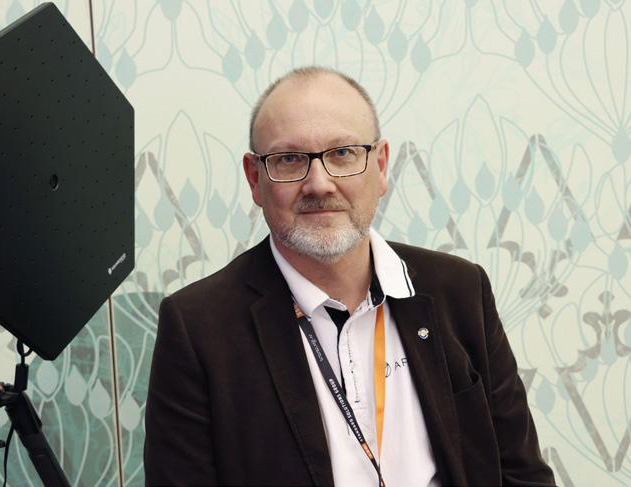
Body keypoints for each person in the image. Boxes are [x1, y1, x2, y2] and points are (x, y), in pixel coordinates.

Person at [144, 66, 556, 486]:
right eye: (289, 159)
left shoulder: (460, 290)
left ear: (381, 165)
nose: (319, 184)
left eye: (342, 153)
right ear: (255, 179)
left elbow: (522, 475)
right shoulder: (198, 328)